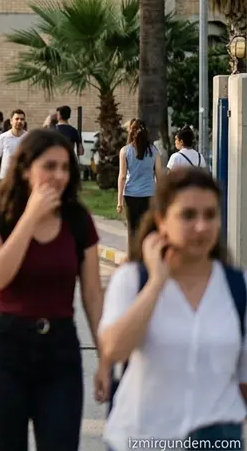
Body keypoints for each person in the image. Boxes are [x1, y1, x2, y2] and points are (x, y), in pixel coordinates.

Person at [0, 128, 105, 451]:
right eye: (49, 166)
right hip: (2, 351)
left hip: (59, 352)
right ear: (26, 168)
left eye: (65, 167)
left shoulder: (77, 220)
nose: (59, 175)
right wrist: (30, 217)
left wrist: (107, 358)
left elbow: (91, 295)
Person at [100, 166, 247, 448]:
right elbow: (113, 349)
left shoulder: (237, 287)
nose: (201, 226)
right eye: (188, 215)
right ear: (162, 221)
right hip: (144, 437)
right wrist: (156, 283)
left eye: (210, 215)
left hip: (218, 437)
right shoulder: (132, 280)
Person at [118, 117, 165, 237]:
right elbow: (159, 175)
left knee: (132, 230)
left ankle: (133, 254)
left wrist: (119, 202)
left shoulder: (125, 151)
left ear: (131, 131)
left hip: (130, 196)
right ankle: (146, 253)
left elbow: (122, 176)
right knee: (148, 229)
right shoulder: (154, 151)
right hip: (149, 195)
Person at [0, 109, 27, 186]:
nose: (19, 121)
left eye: (22, 119)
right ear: (11, 121)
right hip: (5, 178)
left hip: (23, 179)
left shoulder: (28, 137)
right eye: (17, 119)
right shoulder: (3, 137)